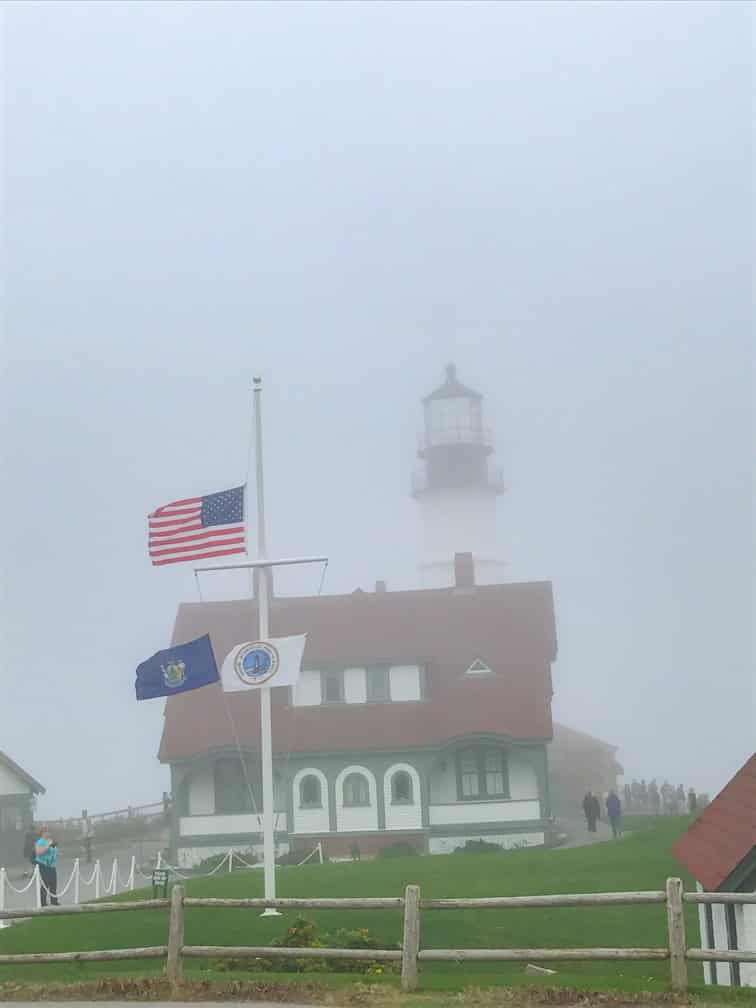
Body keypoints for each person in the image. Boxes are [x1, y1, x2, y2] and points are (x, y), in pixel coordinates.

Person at [35, 824, 59, 907]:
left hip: (52, 865)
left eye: (48, 831)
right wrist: (48, 846)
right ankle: (43, 902)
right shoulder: (40, 842)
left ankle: (54, 900)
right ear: (42, 832)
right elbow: (38, 852)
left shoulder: (50, 840)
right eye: (45, 831)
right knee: (45, 883)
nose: (48, 832)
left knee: (53, 883)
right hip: (44, 865)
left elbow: (53, 850)